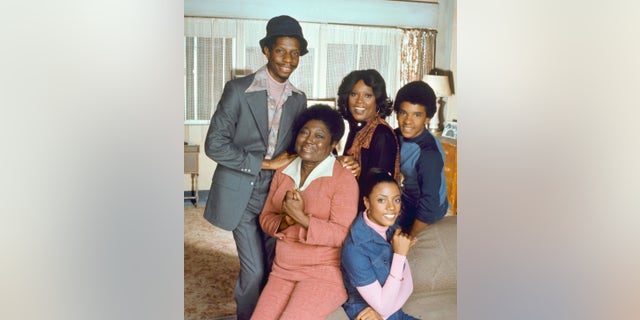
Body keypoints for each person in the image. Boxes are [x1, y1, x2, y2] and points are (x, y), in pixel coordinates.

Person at [202, 15, 309, 320]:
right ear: (266, 51)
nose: (288, 59)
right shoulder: (238, 90)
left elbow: (301, 146)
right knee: (255, 269)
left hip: (276, 195)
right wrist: (265, 163)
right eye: (281, 51)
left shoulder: (299, 99)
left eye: (294, 53)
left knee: (275, 265)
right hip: (241, 194)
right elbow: (215, 144)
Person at [252, 105, 359, 319]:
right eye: (304, 132)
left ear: (333, 144)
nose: (309, 140)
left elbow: (342, 234)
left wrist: (301, 217)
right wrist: (286, 221)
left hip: (324, 273)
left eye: (319, 136)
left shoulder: (343, 178)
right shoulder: (284, 170)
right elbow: (265, 219)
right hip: (282, 270)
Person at [341, 168, 419, 320]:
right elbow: (384, 305)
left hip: (391, 314)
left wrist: (383, 313)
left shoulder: (392, 229)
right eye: (382, 200)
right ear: (367, 202)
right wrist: (400, 254)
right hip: (365, 314)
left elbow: (408, 288)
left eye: (396, 200)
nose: (391, 207)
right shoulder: (355, 249)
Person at [336, 69, 400, 210]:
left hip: (370, 218)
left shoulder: (381, 135)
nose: (359, 101)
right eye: (354, 94)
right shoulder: (359, 128)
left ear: (378, 100)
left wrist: (358, 172)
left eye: (367, 95)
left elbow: (379, 190)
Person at [394, 80, 449, 237]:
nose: (408, 121)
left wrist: (409, 237)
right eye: (403, 112)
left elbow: (429, 205)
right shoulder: (396, 135)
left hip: (430, 209)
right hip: (409, 198)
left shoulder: (429, 154)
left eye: (417, 115)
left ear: (427, 119)